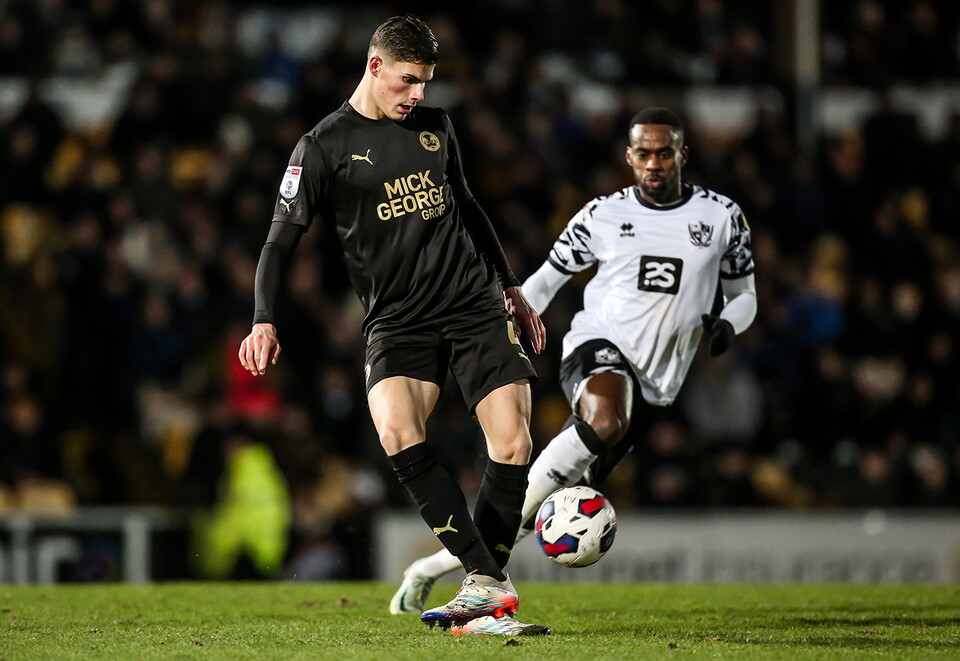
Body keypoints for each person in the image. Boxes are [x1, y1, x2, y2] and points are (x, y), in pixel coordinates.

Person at [236, 15, 549, 637]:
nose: (418, 96)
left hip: (472, 304)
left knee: (513, 442)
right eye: (408, 82)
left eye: (426, 83)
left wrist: (511, 285)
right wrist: (263, 320)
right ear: (375, 67)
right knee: (397, 430)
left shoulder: (435, 127)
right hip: (397, 318)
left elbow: (468, 205)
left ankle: (484, 587)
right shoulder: (321, 147)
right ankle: (487, 582)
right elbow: (278, 243)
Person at [391, 106, 757, 608]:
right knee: (606, 416)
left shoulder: (721, 217)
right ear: (629, 157)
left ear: (682, 155)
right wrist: (497, 341)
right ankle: (486, 555)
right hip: (596, 347)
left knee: (545, 502)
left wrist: (726, 325)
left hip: (659, 385)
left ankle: (429, 569)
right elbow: (544, 280)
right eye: (644, 154)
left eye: (664, 153)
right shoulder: (602, 215)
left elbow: (745, 295)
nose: (654, 164)